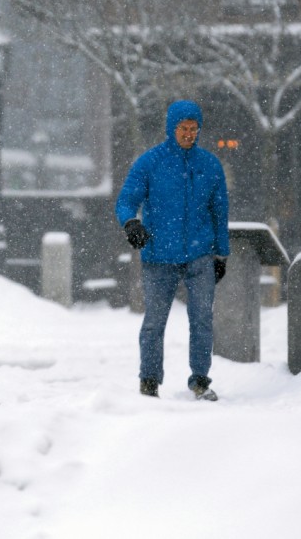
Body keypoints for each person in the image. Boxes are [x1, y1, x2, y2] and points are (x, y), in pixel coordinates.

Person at [115, 100, 230, 400]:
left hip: (200, 255)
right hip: (158, 256)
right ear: (171, 128)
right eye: (183, 128)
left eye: (194, 129)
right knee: (154, 321)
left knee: (202, 318)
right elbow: (127, 198)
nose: (189, 134)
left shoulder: (210, 166)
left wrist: (221, 253)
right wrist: (130, 223)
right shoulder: (150, 163)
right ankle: (149, 380)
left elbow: (220, 212)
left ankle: (200, 380)